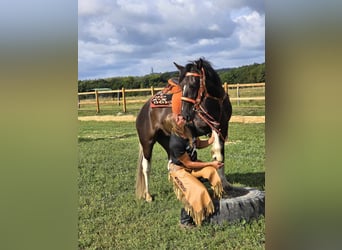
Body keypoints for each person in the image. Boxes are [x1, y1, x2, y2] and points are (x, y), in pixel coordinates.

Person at [165, 113, 224, 228]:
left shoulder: (188, 129)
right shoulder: (175, 143)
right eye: (178, 119)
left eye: (180, 116)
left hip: (192, 166)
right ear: (174, 126)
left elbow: (198, 144)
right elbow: (188, 163)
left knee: (211, 171)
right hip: (180, 170)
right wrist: (211, 163)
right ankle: (185, 221)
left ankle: (212, 199)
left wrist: (211, 140)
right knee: (197, 191)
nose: (182, 118)